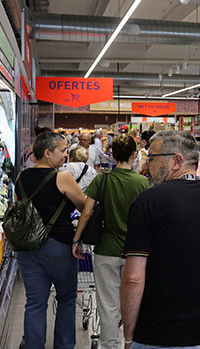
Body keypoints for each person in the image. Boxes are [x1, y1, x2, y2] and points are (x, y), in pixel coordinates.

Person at [121, 130, 200, 348]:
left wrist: (129, 334)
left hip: (157, 334)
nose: (148, 166)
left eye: (152, 158)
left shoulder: (147, 202)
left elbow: (133, 278)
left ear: (176, 160)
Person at [15, 132, 92, 349]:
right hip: (58, 247)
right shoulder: (62, 177)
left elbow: (20, 208)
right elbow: (85, 207)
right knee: (66, 300)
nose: (66, 155)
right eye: (63, 150)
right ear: (47, 153)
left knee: (35, 304)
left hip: (28, 248)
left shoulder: (21, 178)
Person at [72, 134, 148, 349]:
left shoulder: (102, 179)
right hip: (135, 254)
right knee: (134, 303)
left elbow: (86, 213)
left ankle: (109, 345)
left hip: (106, 251)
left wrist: (76, 240)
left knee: (108, 304)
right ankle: (132, 343)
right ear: (134, 154)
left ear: (112, 155)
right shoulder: (142, 182)